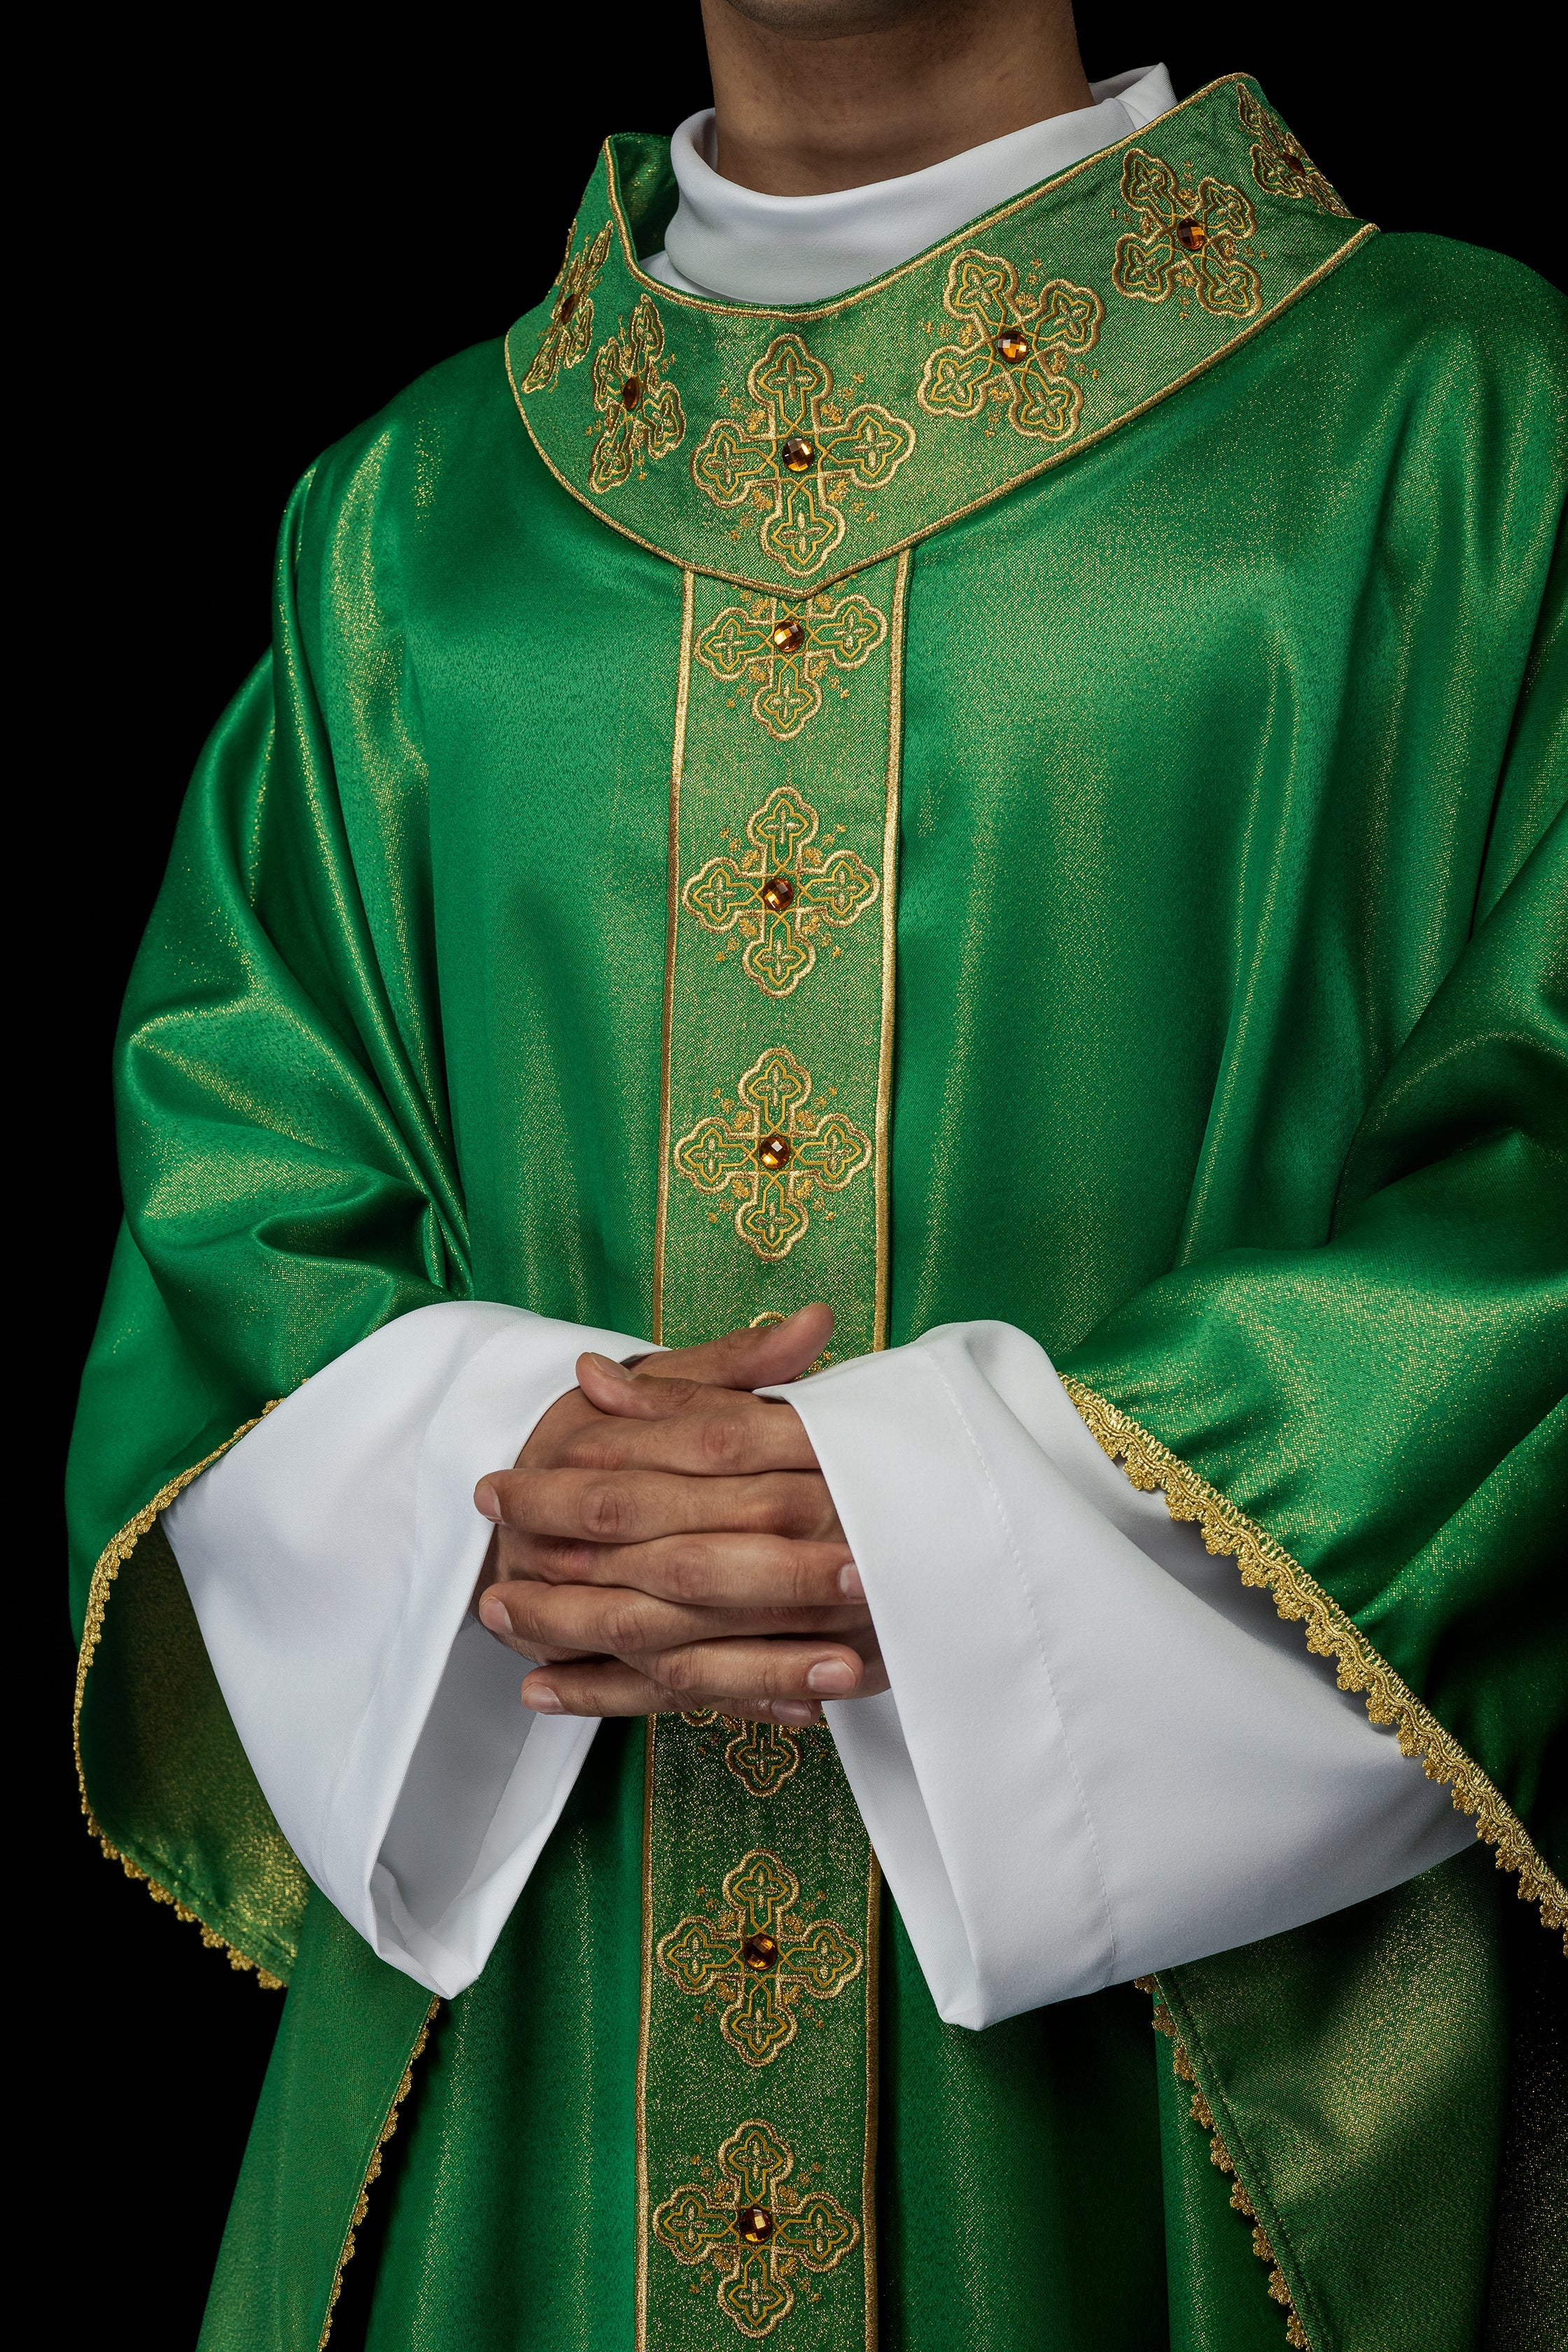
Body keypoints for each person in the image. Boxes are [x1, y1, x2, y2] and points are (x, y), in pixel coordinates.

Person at [69, 3, 1565, 2346]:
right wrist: (494, 1471)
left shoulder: (1459, 425)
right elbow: (237, 1192)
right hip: (521, 2069)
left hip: (1192, 2085)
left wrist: (982, 1526)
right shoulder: (409, 527)